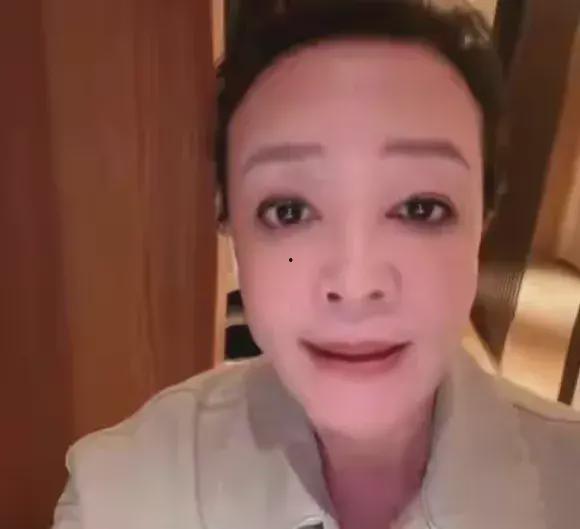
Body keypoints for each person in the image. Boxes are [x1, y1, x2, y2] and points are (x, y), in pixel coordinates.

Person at [52, 2, 580, 528]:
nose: (355, 283)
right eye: (289, 211)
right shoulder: (117, 494)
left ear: (483, 222)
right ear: (229, 224)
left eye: (421, 208)